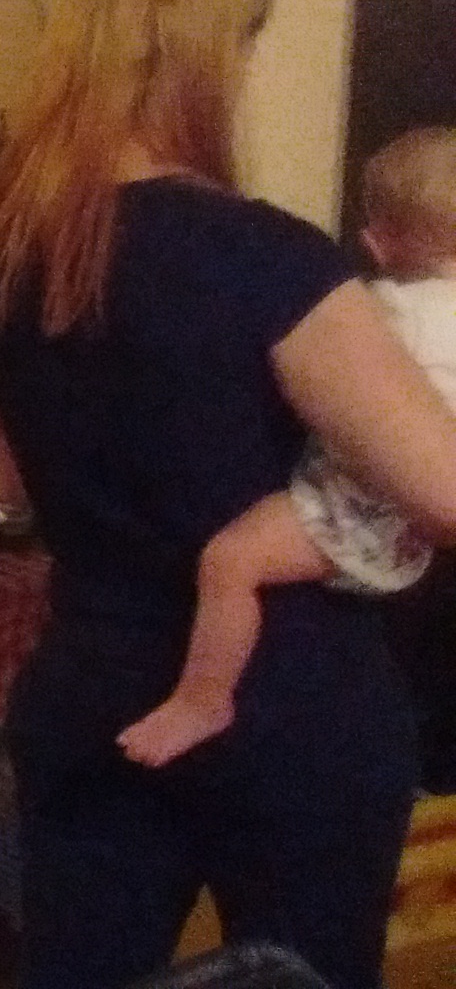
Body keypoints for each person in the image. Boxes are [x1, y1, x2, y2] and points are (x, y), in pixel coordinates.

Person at [0, 0, 456, 989]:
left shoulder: (3, 251)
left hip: (90, 682)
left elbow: (8, 479)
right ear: (207, 58)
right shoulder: (269, 260)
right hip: (290, 704)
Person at [121, 126, 456, 769]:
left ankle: (201, 700)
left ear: (379, 242)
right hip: (412, 536)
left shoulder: (384, 307)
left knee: (230, 561)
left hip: (356, 510)